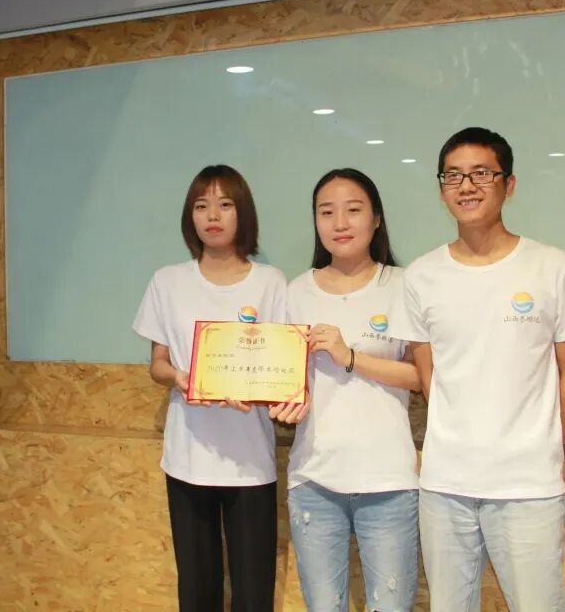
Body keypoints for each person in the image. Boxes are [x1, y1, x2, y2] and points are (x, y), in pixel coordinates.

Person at [389, 128, 565, 612]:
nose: (466, 186)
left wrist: (543, 448)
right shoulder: (421, 276)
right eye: (453, 176)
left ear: (509, 184)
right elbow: (430, 378)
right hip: (445, 485)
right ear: (442, 189)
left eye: (481, 173)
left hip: (528, 487)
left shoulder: (552, 268)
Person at [133, 164, 286, 612]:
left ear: (243, 213)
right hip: (188, 459)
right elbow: (157, 364)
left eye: (224, 204)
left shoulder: (270, 282)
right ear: (190, 216)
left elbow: (282, 366)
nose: (212, 215)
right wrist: (180, 377)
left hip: (250, 461)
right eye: (201, 206)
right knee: (197, 591)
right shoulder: (168, 281)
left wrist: (260, 388)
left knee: (253, 592)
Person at [271, 168, 421, 611]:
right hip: (314, 478)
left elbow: (422, 378)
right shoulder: (296, 291)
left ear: (376, 218)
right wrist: (281, 402)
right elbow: (283, 377)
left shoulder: (403, 286)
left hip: (389, 479)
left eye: (353, 210)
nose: (339, 223)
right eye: (326, 212)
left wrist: (351, 356)